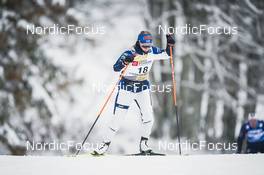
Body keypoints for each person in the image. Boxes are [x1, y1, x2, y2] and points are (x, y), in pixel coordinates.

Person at [92, 31, 175, 155]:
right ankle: (104, 145)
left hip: (142, 88)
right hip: (127, 88)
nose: (147, 49)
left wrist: (170, 45)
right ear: (139, 42)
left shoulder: (152, 51)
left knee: (148, 117)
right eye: (144, 45)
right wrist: (126, 61)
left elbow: (168, 54)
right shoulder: (130, 52)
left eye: (149, 45)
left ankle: (144, 145)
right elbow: (116, 67)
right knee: (117, 119)